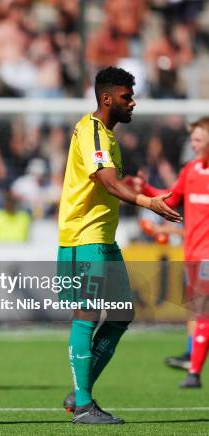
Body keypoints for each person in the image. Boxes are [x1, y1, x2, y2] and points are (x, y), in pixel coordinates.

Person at [57, 66, 180, 424]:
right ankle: (82, 405)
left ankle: (82, 389)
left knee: (122, 314)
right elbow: (106, 182)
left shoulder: (103, 134)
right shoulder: (93, 132)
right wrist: (147, 204)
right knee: (87, 315)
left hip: (101, 239)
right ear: (107, 98)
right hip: (84, 238)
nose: (133, 103)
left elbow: (109, 182)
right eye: (127, 97)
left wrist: (137, 189)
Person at [135, 117, 209, 388]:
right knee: (198, 312)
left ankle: (194, 372)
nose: (193, 142)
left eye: (199, 138)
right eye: (193, 138)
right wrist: (143, 189)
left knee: (201, 312)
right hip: (192, 253)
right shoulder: (190, 171)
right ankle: (193, 365)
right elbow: (169, 197)